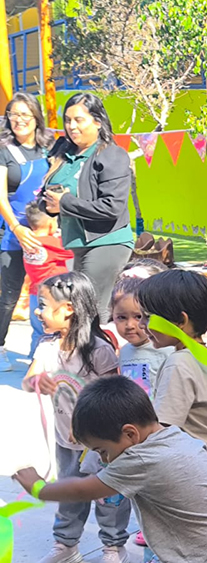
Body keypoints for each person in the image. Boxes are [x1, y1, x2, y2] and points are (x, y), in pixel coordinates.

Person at [12, 376, 207, 563]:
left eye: (102, 450)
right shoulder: (176, 435)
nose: (104, 459)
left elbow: (84, 490)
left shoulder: (141, 459)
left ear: (130, 434)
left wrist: (39, 488)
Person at [19, 271, 128, 563]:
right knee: (69, 494)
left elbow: (112, 395)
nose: (38, 312)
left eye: (43, 305)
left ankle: (113, 546)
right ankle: (66, 546)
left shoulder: (100, 351)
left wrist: (86, 426)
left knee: (109, 497)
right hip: (66, 442)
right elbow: (28, 381)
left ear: (68, 309)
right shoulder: (47, 347)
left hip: (101, 443)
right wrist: (36, 382)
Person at [136, 269, 207, 529]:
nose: (141, 325)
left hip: (199, 482)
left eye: (148, 317)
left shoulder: (178, 364)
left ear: (180, 321)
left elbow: (162, 431)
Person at [42, 92, 135, 322]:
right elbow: (50, 195)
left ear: (97, 121)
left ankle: (100, 357)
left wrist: (64, 203)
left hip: (107, 241)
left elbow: (111, 207)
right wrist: (51, 207)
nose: (71, 126)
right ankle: (89, 356)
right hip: (78, 242)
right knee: (82, 312)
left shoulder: (111, 155)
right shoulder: (66, 155)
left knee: (89, 313)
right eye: (68, 120)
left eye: (79, 120)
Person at [0, 92, 54, 370]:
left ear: (36, 118)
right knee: (9, 296)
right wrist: (17, 228)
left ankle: (44, 346)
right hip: (13, 232)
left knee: (47, 291)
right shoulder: (4, 151)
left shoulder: (51, 148)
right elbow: (0, 197)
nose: (18, 120)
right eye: (13, 114)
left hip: (47, 235)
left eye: (24, 114)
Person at [22, 201, 72, 357]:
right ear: (51, 223)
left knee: (38, 329)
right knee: (55, 329)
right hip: (54, 294)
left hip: (34, 293)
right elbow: (71, 252)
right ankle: (48, 362)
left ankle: (34, 360)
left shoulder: (27, 241)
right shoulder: (52, 243)